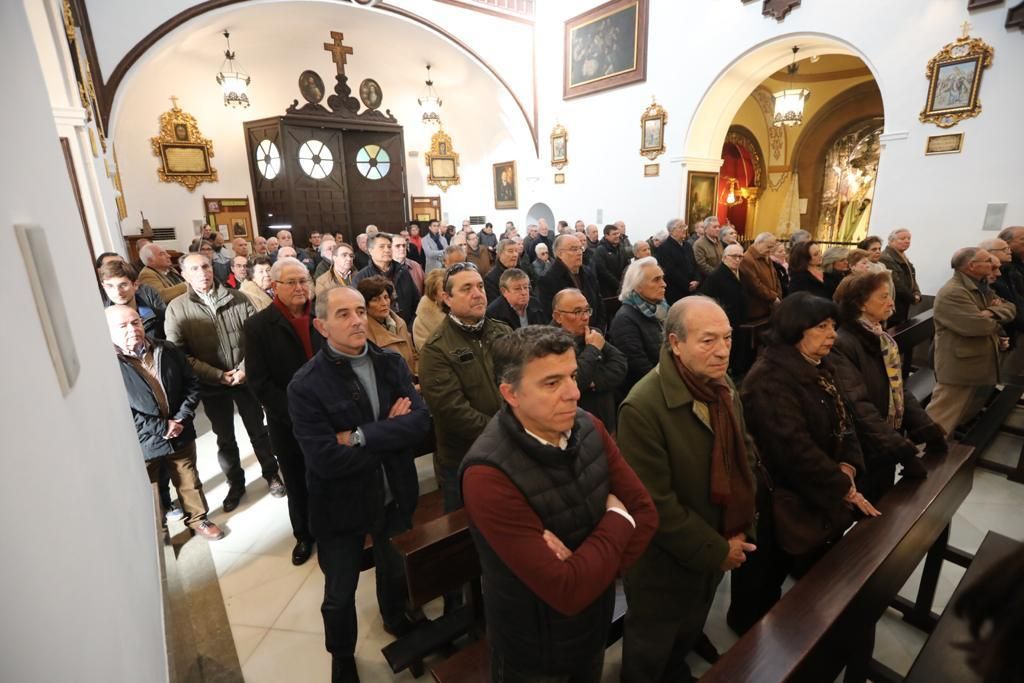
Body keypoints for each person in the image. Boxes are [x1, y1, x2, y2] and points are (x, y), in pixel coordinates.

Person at [461, 326, 657, 683]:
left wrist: (587, 571)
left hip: (594, 621)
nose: (574, 393)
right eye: (551, 383)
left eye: (571, 376)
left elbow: (645, 513)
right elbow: (566, 592)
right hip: (535, 647)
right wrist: (616, 517)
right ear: (511, 394)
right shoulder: (488, 475)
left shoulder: (589, 425)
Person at [288, 286, 431, 682]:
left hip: (392, 492)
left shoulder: (390, 363)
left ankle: (394, 617)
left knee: (393, 570)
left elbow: (419, 423)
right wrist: (389, 431)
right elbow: (324, 459)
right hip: (340, 504)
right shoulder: (305, 385)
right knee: (339, 594)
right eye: (343, 314)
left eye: (359, 311)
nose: (356, 320)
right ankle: (342, 654)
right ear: (321, 325)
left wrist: (360, 435)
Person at [618, 296, 758, 682]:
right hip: (663, 562)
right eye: (708, 340)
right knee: (650, 647)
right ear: (675, 344)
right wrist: (718, 550)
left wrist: (740, 523)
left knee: (688, 627)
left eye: (727, 339)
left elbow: (741, 453)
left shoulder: (720, 384)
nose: (723, 351)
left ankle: (677, 666)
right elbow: (654, 505)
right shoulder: (643, 407)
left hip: (714, 539)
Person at [732, 293, 880, 630]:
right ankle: (749, 640)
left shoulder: (820, 366)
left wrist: (848, 465)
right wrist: (845, 488)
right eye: (822, 327)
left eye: (833, 326)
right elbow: (792, 448)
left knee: (807, 565)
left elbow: (845, 421)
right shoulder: (768, 379)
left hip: (816, 487)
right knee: (762, 577)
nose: (832, 334)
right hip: (776, 497)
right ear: (796, 330)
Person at [165, 253, 285, 511]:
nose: (202, 273)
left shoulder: (238, 298)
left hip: (244, 379)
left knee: (258, 430)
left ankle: (271, 473)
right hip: (211, 383)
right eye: (194, 269)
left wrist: (243, 369)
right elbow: (179, 354)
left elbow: (256, 338)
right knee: (225, 436)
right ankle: (236, 483)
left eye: (206, 266)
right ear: (184, 274)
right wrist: (217, 375)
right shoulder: (177, 308)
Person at [106, 305, 224, 540]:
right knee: (149, 489)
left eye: (136, 322)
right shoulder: (108, 365)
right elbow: (119, 408)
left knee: (188, 478)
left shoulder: (166, 349)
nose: (133, 329)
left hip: (180, 429)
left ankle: (198, 519)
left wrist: (181, 416)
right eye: (123, 326)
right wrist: (162, 428)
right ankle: (157, 530)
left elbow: (191, 384)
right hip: (144, 440)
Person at [831, 273, 946, 501]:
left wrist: (928, 430)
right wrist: (900, 450)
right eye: (884, 297)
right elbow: (857, 405)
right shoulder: (843, 343)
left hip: (882, 438)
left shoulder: (880, 338)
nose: (891, 302)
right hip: (861, 444)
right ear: (860, 303)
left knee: (883, 500)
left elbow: (898, 389)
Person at [243, 257, 321, 565]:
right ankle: (303, 535)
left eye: (304, 280)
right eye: (293, 282)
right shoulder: (258, 326)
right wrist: (297, 413)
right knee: (297, 476)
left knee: (328, 473)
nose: (301, 287)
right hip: (287, 419)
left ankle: (332, 526)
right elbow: (260, 383)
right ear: (275, 286)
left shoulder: (321, 315)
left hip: (328, 413)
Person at [419, 262, 512, 513]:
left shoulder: (502, 331)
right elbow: (452, 412)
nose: (478, 293)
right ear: (447, 298)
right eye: (467, 288)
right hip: (466, 458)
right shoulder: (436, 348)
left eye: (480, 286)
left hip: (512, 451)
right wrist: (507, 431)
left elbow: (522, 383)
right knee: (468, 535)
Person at [927, 248, 1016, 435]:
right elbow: (978, 326)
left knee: (961, 413)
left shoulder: (981, 287)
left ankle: (943, 449)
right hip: (959, 365)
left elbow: (1011, 308)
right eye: (987, 261)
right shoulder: (954, 292)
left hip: (975, 361)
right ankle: (920, 455)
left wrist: (991, 312)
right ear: (972, 266)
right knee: (941, 416)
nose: (992, 265)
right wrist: (991, 318)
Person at [551, 288, 628, 432]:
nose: (585, 317)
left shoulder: (593, 333)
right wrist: (592, 349)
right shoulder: (551, 344)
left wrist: (594, 382)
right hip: (576, 424)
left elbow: (620, 363)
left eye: (587, 310)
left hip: (606, 418)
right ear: (558, 316)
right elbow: (576, 381)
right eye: (577, 312)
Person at [610, 257, 667, 397]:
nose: (664, 284)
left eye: (662, 278)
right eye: (656, 279)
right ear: (637, 286)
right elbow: (638, 366)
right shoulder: (625, 320)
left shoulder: (661, 309)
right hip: (649, 392)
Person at [351, 233, 420, 329]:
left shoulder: (403, 271)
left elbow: (416, 301)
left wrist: (410, 328)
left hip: (407, 329)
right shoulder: (361, 278)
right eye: (382, 247)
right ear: (370, 251)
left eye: (389, 246)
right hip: (377, 332)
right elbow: (359, 310)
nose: (387, 250)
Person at [539, 234, 606, 331]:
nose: (579, 253)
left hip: (592, 332)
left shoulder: (588, 273)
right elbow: (550, 315)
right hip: (566, 337)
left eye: (580, 248)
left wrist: (597, 330)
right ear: (560, 254)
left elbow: (599, 304)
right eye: (574, 249)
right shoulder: (548, 279)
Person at [701, 244, 749, 374]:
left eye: (741, 257)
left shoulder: (740, 272)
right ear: (724, 258)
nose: (738, 259)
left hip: (738, 319)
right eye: (734, 256)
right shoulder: (716, 276)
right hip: (725, 319)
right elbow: (708, 300)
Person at [357, 275, 418, 375]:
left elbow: (414, 355)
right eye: (376, 300)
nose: (384, 303)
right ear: (365, 304)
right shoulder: (364, 332)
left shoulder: (400, 323)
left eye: (386, 297)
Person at [99, 260, 166, 339]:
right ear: (104, 287)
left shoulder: (159, 316)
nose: (118, 292)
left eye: (123, 285)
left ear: (135, 285)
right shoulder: (101, 323)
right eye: (110, 286)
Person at [879, 229, 921, 326]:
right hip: (894, 303)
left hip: (904, 304)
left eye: (909, 239)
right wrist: (912, 298)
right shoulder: (886, 257)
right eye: (902, 239)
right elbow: (896, 283)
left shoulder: (903, 256)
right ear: (891, 241)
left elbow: (912, 278)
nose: (907, 241)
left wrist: (917, 293)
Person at [655, 218, 700, 305]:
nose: (684, 229)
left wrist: (697, 280)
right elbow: (670, 271)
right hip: (675, 291)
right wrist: (688, 285)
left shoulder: (687, 245)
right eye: (680, 227)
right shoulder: (664, 248)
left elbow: (695, 264)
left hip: (692, 289)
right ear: (671, 231)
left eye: (684, 226)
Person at [739, 232, 782, 322]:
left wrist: (778, 295)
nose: (770, 251)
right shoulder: (747, 259)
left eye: (773, 247)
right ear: (758, 243)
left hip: (769, 306)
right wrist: (774, 298)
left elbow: (775, 277)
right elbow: (755, 285)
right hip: (757, 309)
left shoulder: (765, 256)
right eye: (769, 247)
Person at [413, 269, 446, 351]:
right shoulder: (420, 323)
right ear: (434, 294)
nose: (448, 292)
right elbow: (427, 353)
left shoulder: (460, 310)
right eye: (443, 290)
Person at [595, 224, 630, 298]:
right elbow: (603, 272)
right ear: (606, 236)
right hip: (607, 291)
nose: (617, 236)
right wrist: (618, 284)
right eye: (614, 234)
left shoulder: (621, 248)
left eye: (618, 233)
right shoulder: (600, 250)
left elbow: (627, 266)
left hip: (622, 287)